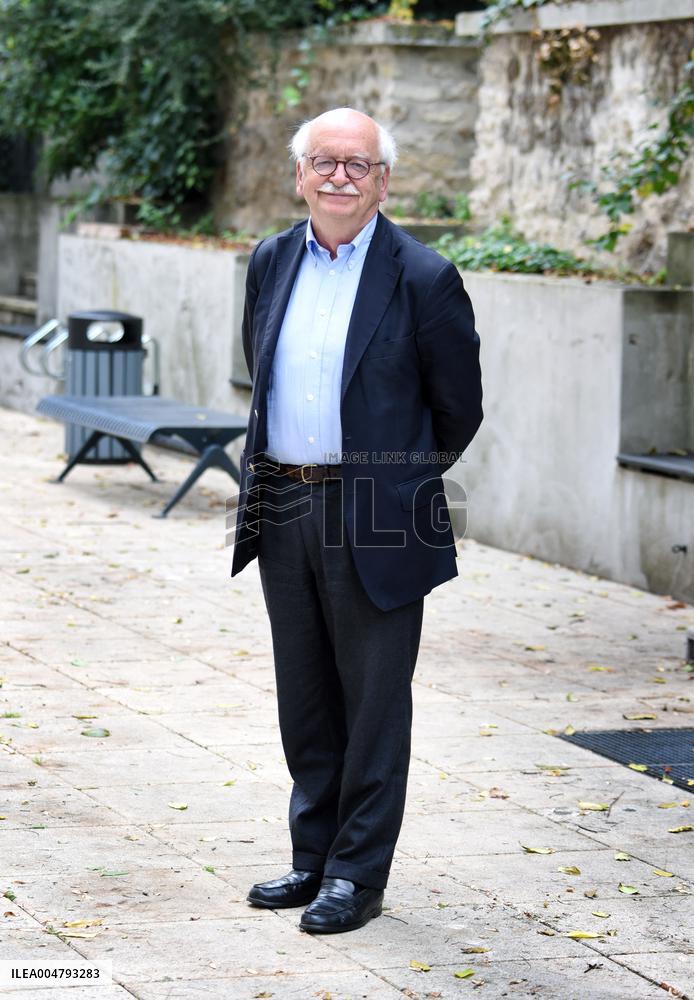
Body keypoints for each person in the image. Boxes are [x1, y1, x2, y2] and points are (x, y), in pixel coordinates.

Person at [230, 107, 483, 934]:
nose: (340, 176)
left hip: (378, 508)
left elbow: (459, 409)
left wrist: (392, 481)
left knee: (374, 700)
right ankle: (312, 856)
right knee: (304, 693)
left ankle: (357, 875)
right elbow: (259, 369)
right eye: (325, 162)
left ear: (384, 181)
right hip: (283, 499)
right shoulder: (271, 260)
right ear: (299, 174)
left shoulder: (424, 276)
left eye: (358, 165)